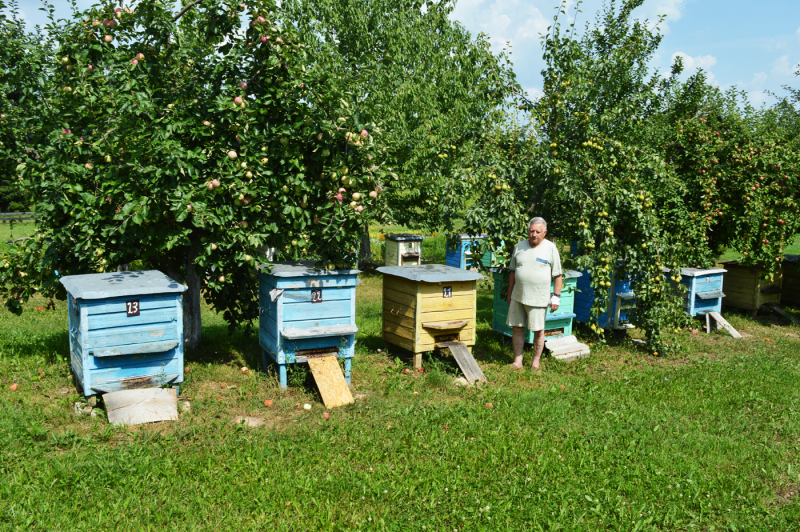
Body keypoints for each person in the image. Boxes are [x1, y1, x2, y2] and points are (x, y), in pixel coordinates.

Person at [506, 217, 563, 372]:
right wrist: (509, 292)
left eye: (538, 232)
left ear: (544, 233)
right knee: (517, 328)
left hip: (539, 298)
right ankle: (518, 362)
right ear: (528, 231)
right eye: (532, 231)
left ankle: (535, 364)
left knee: (538, 331)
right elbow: (512, 272)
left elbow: (558, 276)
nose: (534, 234)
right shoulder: (519, 246)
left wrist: (556, 297)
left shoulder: (551, 248)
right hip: (518, 296)